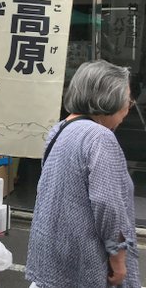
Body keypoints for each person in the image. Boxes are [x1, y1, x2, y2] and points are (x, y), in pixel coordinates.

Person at [26, 60, 140, 288]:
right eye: (127, 101)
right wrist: (118, 257)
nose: (128, 109)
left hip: (53, 261)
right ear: (108, 99)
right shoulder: (99, 137)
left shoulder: (60, 129)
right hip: (84, 266)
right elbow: (107, 205)